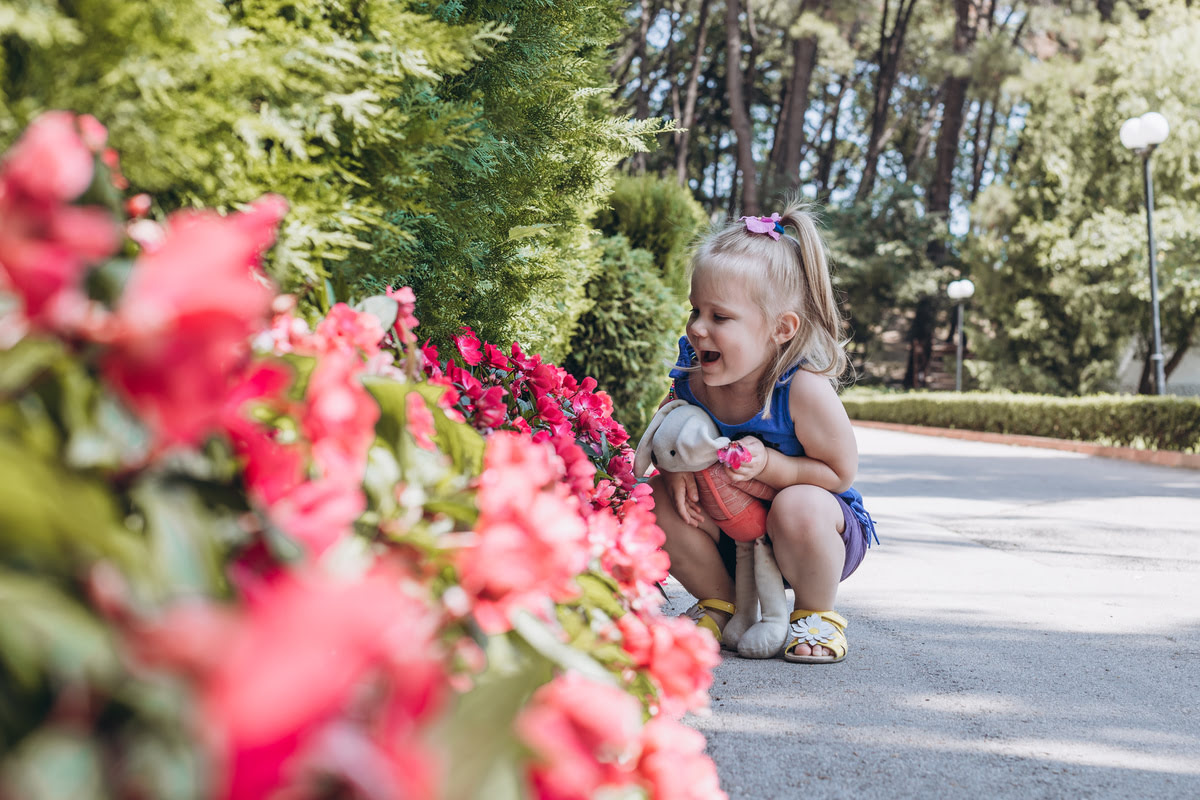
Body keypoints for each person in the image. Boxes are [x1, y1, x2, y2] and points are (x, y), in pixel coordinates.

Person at [649, 202, 876, 664]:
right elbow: (667, 423)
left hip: (811, 536)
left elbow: (839, 473)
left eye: (720, 317)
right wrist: (674, 473)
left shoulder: (802, 389)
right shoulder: (693, 371)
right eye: (695, 310)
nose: (697, 328)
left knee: (800, 504)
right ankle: (721, 602)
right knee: (653, 497)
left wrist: (773, 466)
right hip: (731, 536)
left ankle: (815, 615)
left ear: (781, 329)